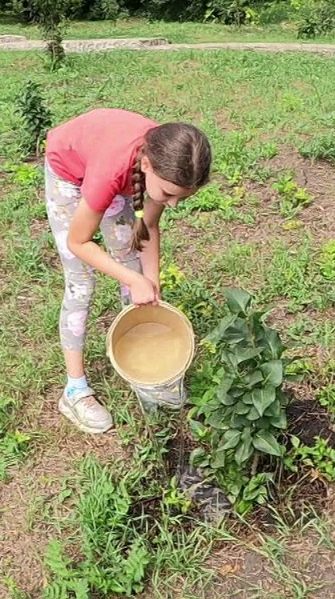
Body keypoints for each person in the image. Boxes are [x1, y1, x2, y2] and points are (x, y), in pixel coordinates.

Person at [43, 108, 212, 433]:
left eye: (182, 198)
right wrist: (134, 279)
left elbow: (148, 226)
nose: (173, 205)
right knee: (82, 282)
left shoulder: (167, 164)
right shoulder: (112, 171)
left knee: (130, 262)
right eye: (168, 195)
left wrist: (149, 280)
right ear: (146, 166)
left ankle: (145, 367)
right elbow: (80, 242)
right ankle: (74, 391)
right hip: (70, 173)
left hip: (117, 176)